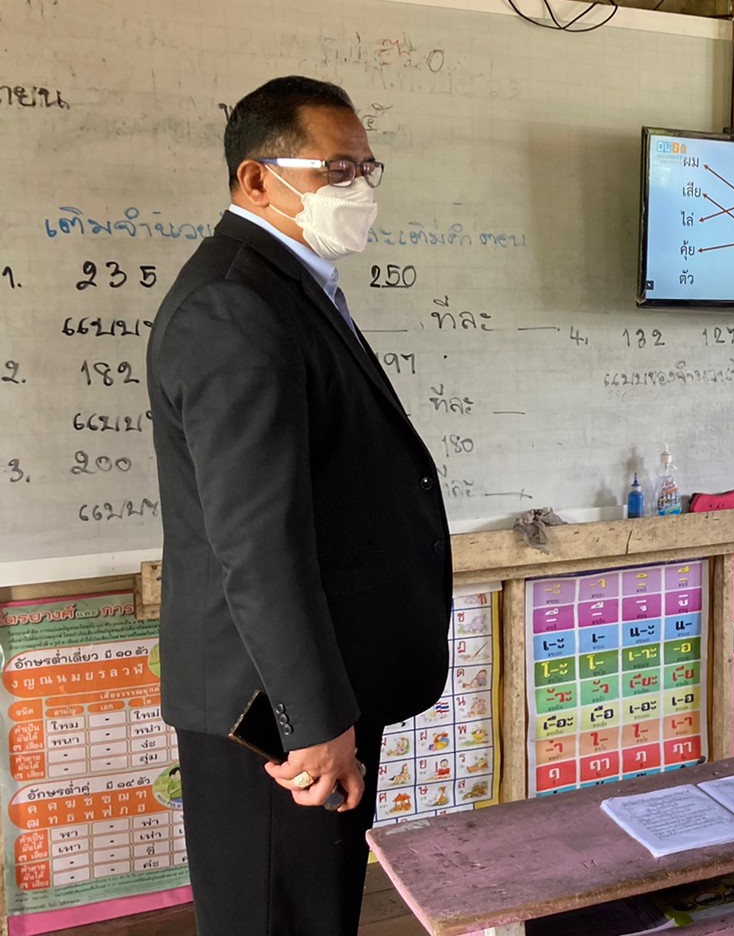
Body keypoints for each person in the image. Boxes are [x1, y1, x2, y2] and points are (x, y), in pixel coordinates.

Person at [147, 76, 451, 935]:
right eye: (336, 169)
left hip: (316, 686)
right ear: (256, 180)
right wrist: (312, 722)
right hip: (273, 712)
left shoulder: (289, 286)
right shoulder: (234, 305)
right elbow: (258, 542)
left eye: (366, 168)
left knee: (316, 911)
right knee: (279, 917)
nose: (359, 188)